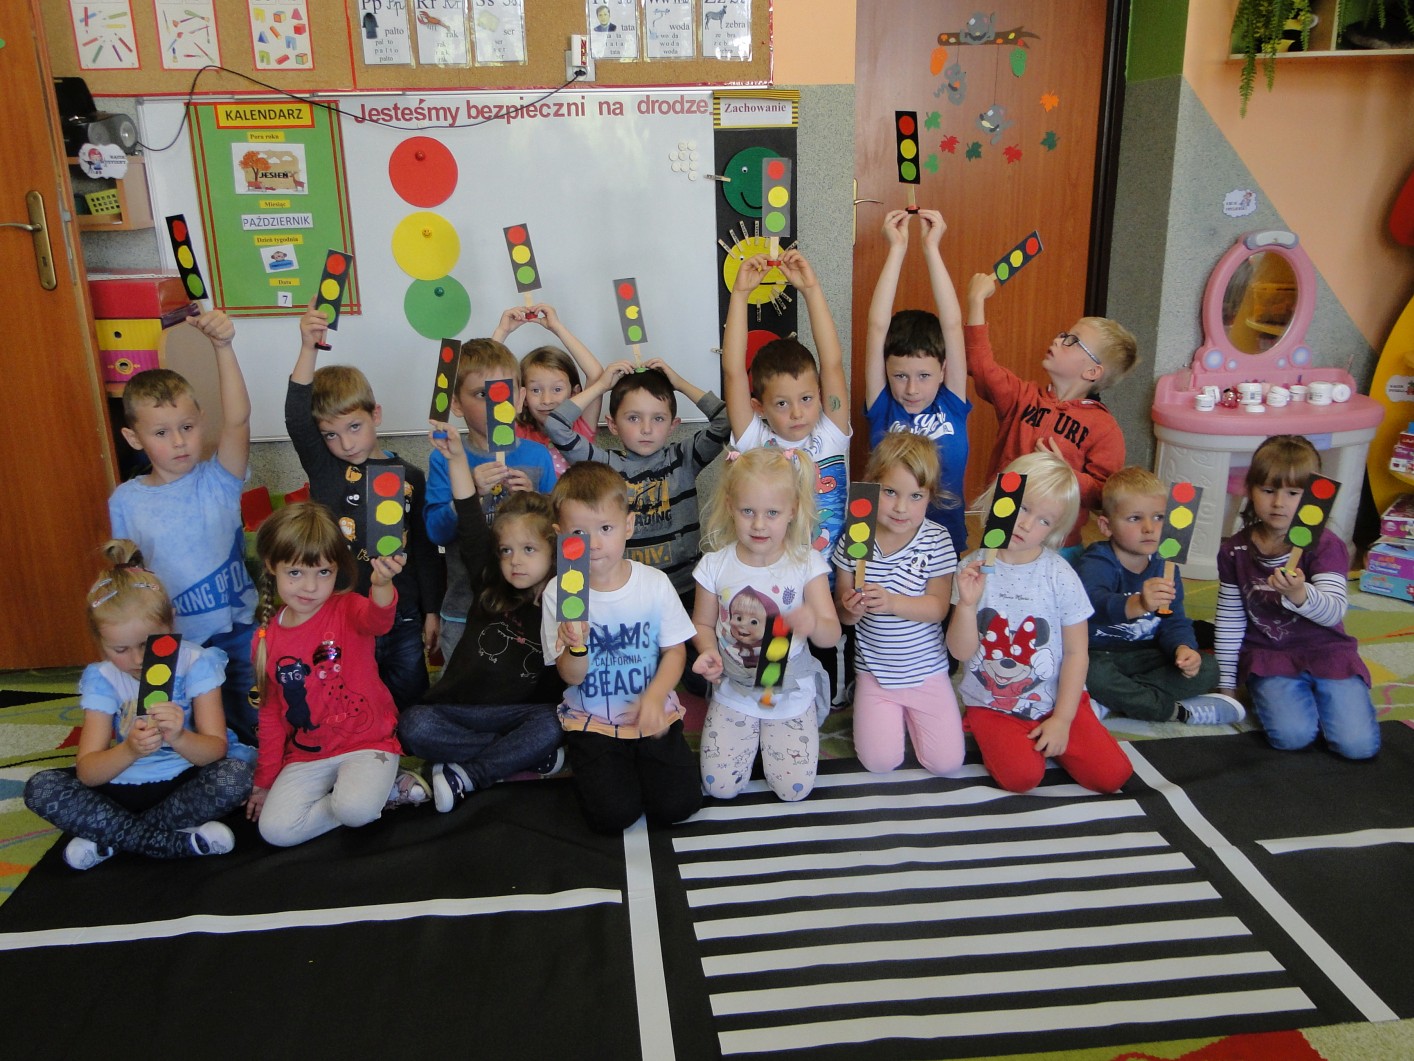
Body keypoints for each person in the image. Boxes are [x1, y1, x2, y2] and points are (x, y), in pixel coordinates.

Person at [23, 541, 251, 870]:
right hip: (119, 788)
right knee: (41, 788)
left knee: (235, 776)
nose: (137, 659)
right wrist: (129, 749)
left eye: (147, 644)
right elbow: (88, 773)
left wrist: (180, 737)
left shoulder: (196, 662)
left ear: (171, 623)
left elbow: (215, 751)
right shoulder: (103, 678)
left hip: (183, 783)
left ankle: (112, 838)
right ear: (99, 642)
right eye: (120, 649)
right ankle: (169, 842)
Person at [108, 310, 258, 745]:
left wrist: (223, 347)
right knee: (179, 733)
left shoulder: (219, 479)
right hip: (172, 643)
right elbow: (128, 578)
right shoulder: (126, 501)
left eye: (187, 427)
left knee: (259, 724)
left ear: (201, 422)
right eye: (161, 432)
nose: (178, 441)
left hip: (238, 632)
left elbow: (238, 421)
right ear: (134, 438)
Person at [398, 422, 565, 812]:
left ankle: (469, 774)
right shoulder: (490, 582)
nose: (515, 561)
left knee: (556, 723)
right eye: (506, 551)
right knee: (413, 725)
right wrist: (457, 457)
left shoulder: (565, 603)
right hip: (462, 711)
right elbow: (469, 516)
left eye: (528, 549)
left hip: (522, 715)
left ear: (554, 549)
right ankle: (517, 758)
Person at [286, 301, 442, 709]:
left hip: (403, 613)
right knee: (352, 702)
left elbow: (425, 550)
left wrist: (432, 611)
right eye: (331, 434)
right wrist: (308, 347)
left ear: (377, 415)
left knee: (410, 701)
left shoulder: (411, 476)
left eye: (354, 427)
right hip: (343, 612)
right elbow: (297, 419)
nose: (346, 443)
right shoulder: (325, 468)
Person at [948, 451, 1133, 794]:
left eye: (1044, 520)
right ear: (1000, 499)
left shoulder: (1060, 574)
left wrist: (1062, 719)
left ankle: (1074, 721)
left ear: (1055, 530)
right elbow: (960, 652)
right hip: (993, 703)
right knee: (1021, 778)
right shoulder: (971, 568)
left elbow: (1077, 653)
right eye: (1023, 508)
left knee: (1112, 776)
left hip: (1057, 699)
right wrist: (967, 606)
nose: (1027, 524)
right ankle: (983, 726)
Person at [247, 503, 428, 848]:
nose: (310, 586)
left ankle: (376, 790)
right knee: (275, 831)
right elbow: (270, 714)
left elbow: (380, 620)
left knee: (355, 811)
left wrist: (382, 582)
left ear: (336, 570)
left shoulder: (347, 608)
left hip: (367, 742)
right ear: (271, 565)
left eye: (323, 572)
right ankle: (379, 792)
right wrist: (264, 781)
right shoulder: (265, 639)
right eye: (295, 572)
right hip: (308, 754)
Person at [541, 462, 701, 833]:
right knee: (612, 817)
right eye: (580, 533)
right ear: (560, 535)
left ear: (628, 526)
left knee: (679, 806)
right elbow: (569, 676)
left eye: (606, 528)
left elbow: (675, 652)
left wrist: (655, 696)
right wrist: (576, 647)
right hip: (593, 721)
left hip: (652, 713)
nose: (595, 543)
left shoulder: (654, 584)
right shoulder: (559, 593)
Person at [1215, 435, 1379, 760]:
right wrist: (1227, 686)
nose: (1279, 503)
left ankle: (1330, 697)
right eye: (1268, 490)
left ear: (1313, 497)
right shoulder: (1235, 550)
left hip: (1327, 651)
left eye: (1293, 493)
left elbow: (1334, 611)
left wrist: (1300, 594)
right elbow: (1230, 621)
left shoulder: (1326, 546)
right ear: (1250, 490)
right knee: (1292, 737)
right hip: (1270, 655)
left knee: (1357, 746)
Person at [690, 448, 839, 801]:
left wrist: (812, 622)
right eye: (748, 511)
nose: (759, 524)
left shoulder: (806, 563)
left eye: (772, 513)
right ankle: (752, 742)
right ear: (730, 506)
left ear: (793, 511)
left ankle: (769, 742)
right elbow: (703, 623)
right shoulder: (714, 565)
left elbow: (831, 634)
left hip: (787, 691)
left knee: (793, 790)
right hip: (734, 688)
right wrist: (708, 651)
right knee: (719, 787)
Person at [964, 271, 1139, 549]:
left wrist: (1069, 475)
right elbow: (981, 366)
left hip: (1058, 546)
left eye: (1072, 340)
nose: (1059, 340)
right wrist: (976, 300)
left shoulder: (1104, 428)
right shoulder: (1022, 397)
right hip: (1003, 530)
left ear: (1092, 371)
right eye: (1063, 335)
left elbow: (1105, 495)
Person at [542, 358, 730, 605]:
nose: (646, 429)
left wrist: (680, 384)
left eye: (658, 418)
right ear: (613, 425)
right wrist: (601, 386)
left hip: (685, 590)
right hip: (627, 592)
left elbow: (726, 420)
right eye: (633, 418)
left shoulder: (683, 459)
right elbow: (555, 425)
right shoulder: (604, 466)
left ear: (673, 425)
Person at [834, 433, 962, 774]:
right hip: (874, 674)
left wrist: (892, 602)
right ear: (872, 487)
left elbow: (937, 608)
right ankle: (878, 710)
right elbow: (843, 617)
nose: (901, 507)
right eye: (890, 492)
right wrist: (851, 608)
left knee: (947, 764)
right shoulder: (855, 537)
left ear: (930, 496)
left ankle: (907, 717)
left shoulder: (936, 540)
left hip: (928, 673)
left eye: (916, 496)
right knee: (880, 762)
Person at [425, 337, 559, 660]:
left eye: (502, 393)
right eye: (481, 395)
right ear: (456, 404)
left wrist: (534, 501)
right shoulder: (445, 458)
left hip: (529, 606)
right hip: (465, 607)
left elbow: (557, 529)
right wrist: (468, 493)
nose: (493, 405)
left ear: (520, 398)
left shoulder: (537, 456)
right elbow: (437, 532)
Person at [1078, 467, 1244, 725]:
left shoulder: (1165, 565)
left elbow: (1174, 620)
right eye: (1135, 518)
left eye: (1158, 517)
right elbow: (1092, 602)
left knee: (1208, 668)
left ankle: (1115, 699)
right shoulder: (1097, 560)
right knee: (1089, 673)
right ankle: (1174, 711)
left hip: (1146, 655)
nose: (1149, 528)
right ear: (1106, 526)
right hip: (1099, 654)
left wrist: (1183, 648)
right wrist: (1138, 603)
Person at [723, 249, 851, 564]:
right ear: (759, 407)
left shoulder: (831, 433)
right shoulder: (754, 441)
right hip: (773, 583)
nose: (796, 412)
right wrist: (740, 295)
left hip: (832, 582)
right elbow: (733, 372)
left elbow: (832, 364)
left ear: (820, 395)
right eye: (781, 403)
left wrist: (811, 289)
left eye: (806, 399)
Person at [863, 208, 969, 555]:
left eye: (924, 376)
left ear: (943, 370)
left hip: (945, 544)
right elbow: (877, 327)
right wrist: (896, 248)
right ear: (886, 371)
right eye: (900, 376)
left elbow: (952, 325)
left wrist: (931, 248)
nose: (911, 389)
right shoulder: (883, 406)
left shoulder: (951, 402)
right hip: (886, 545)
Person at [495, 303, 606, 477]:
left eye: (557, 389)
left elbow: (597, 375)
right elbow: (489, 384)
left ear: (575, 393)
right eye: (536, 390)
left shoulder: (580, 428)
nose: (547, 400)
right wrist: (502, 331)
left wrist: (557, 327)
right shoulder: (518, 432)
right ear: (523, 397)